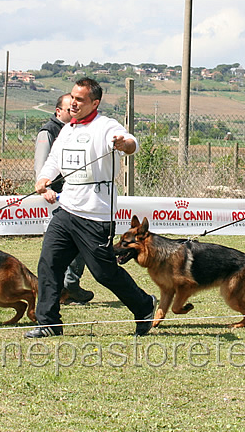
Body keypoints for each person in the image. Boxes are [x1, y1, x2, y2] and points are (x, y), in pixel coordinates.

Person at [25, 77, 156, 338]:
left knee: (103, 272)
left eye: (80, 99)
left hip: (95, 215)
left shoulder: (106, 126)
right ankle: (48, 323)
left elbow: (131, 143)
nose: (73, 103)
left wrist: (123, 144)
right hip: (66, 211)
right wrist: (44, 178)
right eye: (72, 97)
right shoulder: (67, 129)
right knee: (49, 264)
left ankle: (144, 305)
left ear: (94, 103)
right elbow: (54, 160)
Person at [34, 93, 94, 305]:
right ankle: (65, 287)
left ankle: (69, 286)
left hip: (74, 196)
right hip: (54, 197)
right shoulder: (49, 131)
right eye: (69, 108)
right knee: (58, 249)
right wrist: (45, 188)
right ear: (58, 111)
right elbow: (42, 166)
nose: (74, 110)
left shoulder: (77, 130)